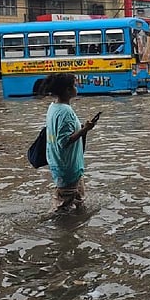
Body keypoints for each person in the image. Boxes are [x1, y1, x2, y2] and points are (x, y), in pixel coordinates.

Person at [41, 73, 97, 212]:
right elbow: (64, 141)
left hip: (61, 163)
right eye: (74, 85)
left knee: (77, 202)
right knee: (63, 207)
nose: (76, 88)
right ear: (67, 90)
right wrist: (85, 129)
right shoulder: (65, 111)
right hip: (68, 166)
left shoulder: (53, 107)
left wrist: (83, 128)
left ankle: (73, 228)